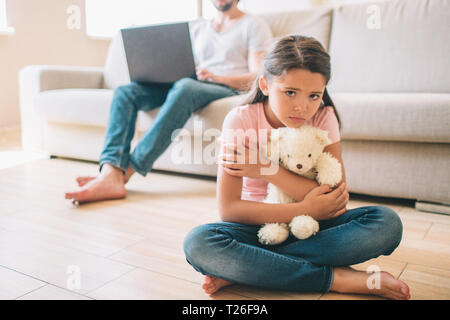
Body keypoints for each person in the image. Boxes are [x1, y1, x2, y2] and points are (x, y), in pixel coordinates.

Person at [183, 35, 411, 300]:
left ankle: (247, 269)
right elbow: (230, 209)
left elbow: (333, 202)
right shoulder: (240, 120)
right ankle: (338, 278)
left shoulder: (323, 117)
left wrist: (267, 169)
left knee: (386, 223)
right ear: (265, 85)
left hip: (315, 228)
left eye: (314, 95)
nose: (302, 107)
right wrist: (303, 208)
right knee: (199, 243)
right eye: (290, 92)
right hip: (260, 227)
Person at [65, 0, 273, 203]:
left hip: (223, 86)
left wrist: (218, 77)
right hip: (187, 82)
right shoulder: (199, 26)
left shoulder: (253, 24)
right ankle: (110, 171)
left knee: (184, 86)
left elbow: (257, 74)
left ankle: (127, 171)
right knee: (126, 92)